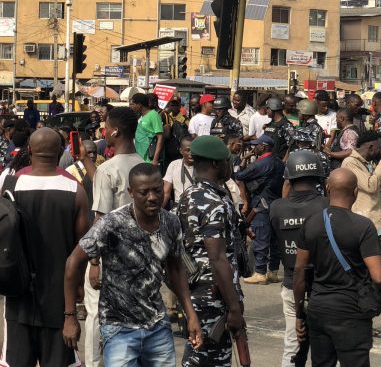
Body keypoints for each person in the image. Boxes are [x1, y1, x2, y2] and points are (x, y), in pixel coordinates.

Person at [64, 163, 203, 366]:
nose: (152, 197)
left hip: (157, 326)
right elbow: (73, 263)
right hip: (118, 328)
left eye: (157, 190)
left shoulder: (171, 222)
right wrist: (70, 316)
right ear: (131, 192)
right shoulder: (112, 224)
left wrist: (191, 315)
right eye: (143, 192)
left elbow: (176, 269)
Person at [0, 128, 90, 367]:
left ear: (29, 151)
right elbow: (82, 249)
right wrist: (79, 287)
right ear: (61, 152)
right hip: (60, 298)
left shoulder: (11, 186)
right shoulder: (75, 190)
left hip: (18, 296)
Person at [293, 168, 381, 367]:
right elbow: (378, 276)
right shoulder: (363, 226)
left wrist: (300, 314)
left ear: (327, 189)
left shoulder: (311, 223)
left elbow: (299, 272)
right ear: (356, 192)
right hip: (351, 312)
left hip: (318, 309)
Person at [176, 136, 245, 367]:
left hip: (196, 289)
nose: (230, 165)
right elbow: (217, 257)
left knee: (202, 355)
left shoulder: (189, 194)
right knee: (206, 357)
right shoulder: (213, 201)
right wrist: (234, 307)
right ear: (216, 164)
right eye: (227, 161)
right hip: (213, 295)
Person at [85, 107, 143, 367]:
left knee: (96, 313)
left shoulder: (106, 170)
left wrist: (94, 263)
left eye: (105, 127)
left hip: (111, 256)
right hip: (141, 256)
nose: (102, 131)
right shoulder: (145, 165)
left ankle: (95, 363)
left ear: (116, 131)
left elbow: (100, 221)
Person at [269, 150, 328, 367]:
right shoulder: (326, 206)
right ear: (319, 178)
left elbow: (275, 240)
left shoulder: (276, 207)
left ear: (289, 177)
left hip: (291, 283)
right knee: (324, 348)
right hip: (323, 286)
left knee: (292, 345)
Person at [236, 134, 284, 285]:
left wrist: (243, 160)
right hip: (276, 204)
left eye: (256, 145)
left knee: (260, 239)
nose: (254, 147)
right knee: (275, 240)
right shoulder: (279, 162)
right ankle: (273, 272)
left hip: (261, 205)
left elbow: (239, 175)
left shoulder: (262, 163)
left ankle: (260, 273)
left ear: (263, 147)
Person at [341, 130, 381, 247]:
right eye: (380, 148)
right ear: (370, 148)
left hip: (377, 223)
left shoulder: (369, 163)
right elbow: (371, 186)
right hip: (366, 224)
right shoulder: (350, 163)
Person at [130, 93, 164, 165]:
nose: (131, 106)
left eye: (133, 104)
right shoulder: (140, 117)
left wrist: (155, 159)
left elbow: (160, 137)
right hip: (140, 157)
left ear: (139, 105)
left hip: (149, 159)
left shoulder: (154, 115)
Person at [162, 135, 195, 209]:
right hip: (179, 207)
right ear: (181, 151)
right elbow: (166, 192)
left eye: (193, 150)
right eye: (188, 150)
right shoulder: (174, 165)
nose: (191, 154)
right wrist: (158, 213)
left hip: (198, 207)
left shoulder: (202, 166)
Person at [161, 98, 189, 165]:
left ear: (179, 106)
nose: (174, 107)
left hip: (178, 147)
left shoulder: (184, 118)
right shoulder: (166, 116)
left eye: (176, 105)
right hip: (167, 146)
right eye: (172, 105)